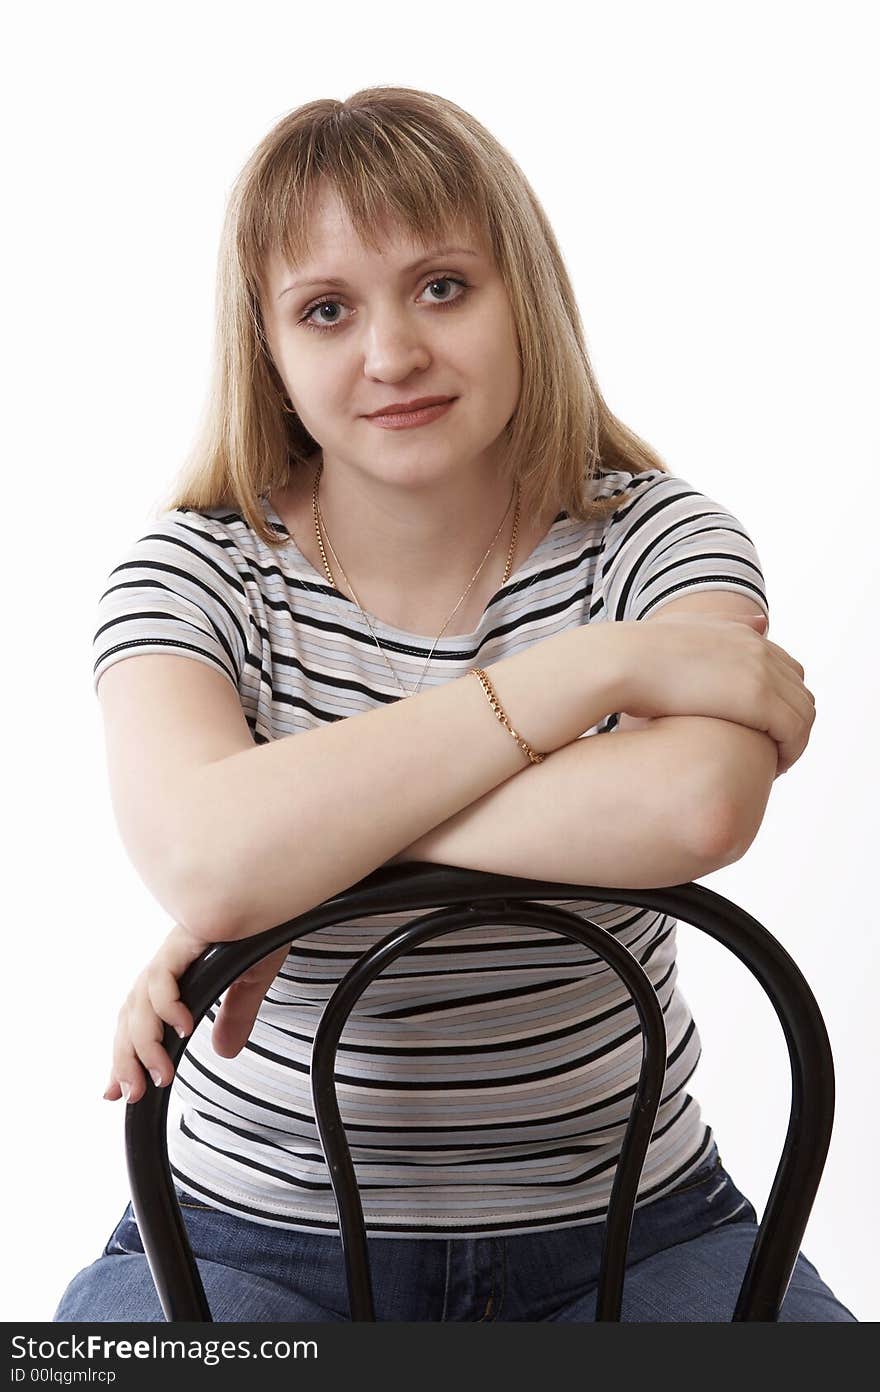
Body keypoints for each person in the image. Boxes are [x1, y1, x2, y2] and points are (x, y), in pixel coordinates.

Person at [54, 85, 856, 1323]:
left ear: (520, 295)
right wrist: (590, 672)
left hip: (639, 1231)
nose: (392, 355)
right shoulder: (192, 572)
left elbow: (694, 805)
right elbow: (209, 855)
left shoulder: (653, 538)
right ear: (266, 348)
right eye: (327, 311)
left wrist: (293, 862)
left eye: (441, 286)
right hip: (246, 1244)